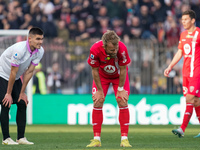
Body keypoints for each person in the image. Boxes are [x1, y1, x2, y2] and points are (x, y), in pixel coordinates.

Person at [86, 30, 132, 147]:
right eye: (112, 50)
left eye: (116, 48)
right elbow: (94, 71)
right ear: (104, 46)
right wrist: (100, 91)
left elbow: (123, 70)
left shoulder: (122, 49)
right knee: (98, 101)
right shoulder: (95, 49)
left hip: (119, 77)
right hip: (102, 76)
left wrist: (120, 89)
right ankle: (96, 139)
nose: (115, 51)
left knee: (122, 100)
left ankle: (124, 139)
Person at [0, 27, 44, 145]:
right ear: (29, 39)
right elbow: (12, 72)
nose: (40, 42)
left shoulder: (40, 51)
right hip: (2, 74)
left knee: (22, 102)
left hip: (14, 76)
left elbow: (29, 72)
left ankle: (21, 138)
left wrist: (22, 92)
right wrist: (8, 93)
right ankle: (6, 139)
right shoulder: (19, 50)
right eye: (38, 39)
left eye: (42, 39)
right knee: (6, 102)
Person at [164, 10, 200, 138]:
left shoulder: (199, 33)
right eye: (182, 20)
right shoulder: (183, 35)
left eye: (186, 19)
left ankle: (182, 129)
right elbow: (180, 53)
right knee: (195, 101)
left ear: (193, 20)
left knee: (189, 99)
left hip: (196, 72)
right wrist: (170, 66)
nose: (183, 22)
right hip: (185, 73)